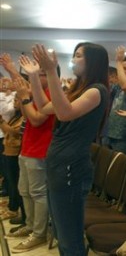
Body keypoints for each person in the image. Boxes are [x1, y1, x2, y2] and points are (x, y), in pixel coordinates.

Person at [19, 43, 109, 255]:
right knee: (61, 233)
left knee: (70, 236)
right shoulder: (78, 89)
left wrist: (50, 71)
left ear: (92, 62)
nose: (73, 59)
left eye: (78, 56)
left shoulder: (97, 91)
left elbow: (64, 114)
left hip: (72, 168)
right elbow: (44, 107)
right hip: (59, 165)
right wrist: (33, 76)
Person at [1, 53, 55, 253]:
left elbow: (37, 120)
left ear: (49, 76)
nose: (34, 77)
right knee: (25, 190)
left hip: (41, 149)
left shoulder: (51, 94)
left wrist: (24, 97)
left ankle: (39, 234)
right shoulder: (38, 92)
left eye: (39, 74)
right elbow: (26, 114)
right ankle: (31, 226)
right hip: (27, 147)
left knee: (38, 193)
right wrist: (13, 71)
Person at [0, 94, 24, 221]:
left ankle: (14, 209)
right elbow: (7, 131)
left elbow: (14, 132)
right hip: (8, 149)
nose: (14, 102)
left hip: (15, 152)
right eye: (14, 100)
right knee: (10, 181)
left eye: (17, 100)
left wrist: (1, 121)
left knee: (15, 183)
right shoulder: (16, 116)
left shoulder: (24, 117)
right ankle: (11, 207)